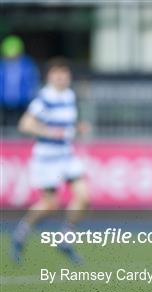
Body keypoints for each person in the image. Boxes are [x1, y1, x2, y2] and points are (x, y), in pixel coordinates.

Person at [11, 57, 89, 264]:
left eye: (65, 74)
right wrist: (49, 132)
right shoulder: (45, 98)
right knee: (49, 204)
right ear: (50, 77)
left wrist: (76, 128)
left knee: (83, 196)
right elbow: (25, 124)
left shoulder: (69, 95)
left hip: (66, 155)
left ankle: (65, 239)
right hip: (47, 158)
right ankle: (21, 233)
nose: (62, 78)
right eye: (57, 74)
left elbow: (66, 126)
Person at [0, 35, 40, 128]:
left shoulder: (27, 64)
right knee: (6, 127)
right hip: (3, 102)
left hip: (23, 102)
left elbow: (33, 81)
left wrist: (30, 96)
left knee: (22, 125)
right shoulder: (2, 65)